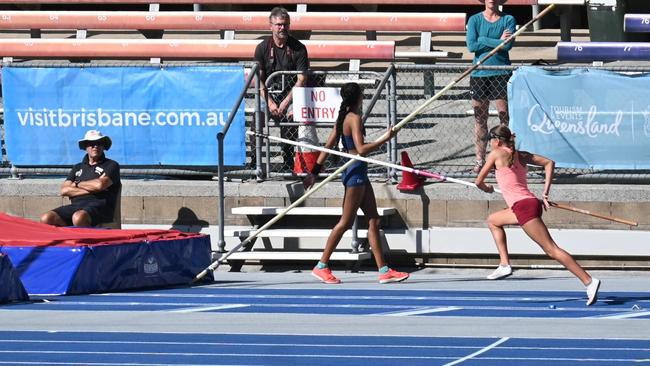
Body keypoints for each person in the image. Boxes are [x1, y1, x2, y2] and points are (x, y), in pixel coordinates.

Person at [475, 125, 601, 306]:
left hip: (524, 207)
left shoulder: (495, 154)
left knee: (551, 249)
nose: (490, 144)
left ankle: (589, 281)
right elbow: (549, 163)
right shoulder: (522, 155)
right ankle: (504, 264)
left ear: (498, 141)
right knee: (493, 220)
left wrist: (486, 188)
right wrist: (545, 194)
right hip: (528, 204)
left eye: (491, 140)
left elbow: (478, 181)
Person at [303, 83, 409, 285]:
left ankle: (384, 270)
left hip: (357, 172)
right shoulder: (354, 119)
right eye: (363, 94)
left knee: (373, 221)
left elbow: (327, 147)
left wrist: (313, 173)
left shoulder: (343, 117)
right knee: (345, 222)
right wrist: (385, 138)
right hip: (355, 174)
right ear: (359, 97)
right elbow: (361, 149)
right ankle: (322, 265)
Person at [254, 6, 309, 171]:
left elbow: (302, 79)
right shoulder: (262, 48)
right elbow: (258, 80)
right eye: (278, 24)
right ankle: (255, 163)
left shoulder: (298, 48)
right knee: (257, 121)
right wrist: (270, 102)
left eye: (285, 24)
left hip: (291, 95)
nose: (282, 28)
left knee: (289, 120)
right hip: (268, 95)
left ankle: (287, 163)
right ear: (270, 26)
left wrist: (285, 103)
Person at [466, 0, 516, 173]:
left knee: (505, 118)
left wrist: (483, 40)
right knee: (480, 119)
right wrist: (497, 41)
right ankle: (480, 160)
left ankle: (506, 157)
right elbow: (472, 46)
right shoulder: (474, 20)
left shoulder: (508, 19)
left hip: (501, 73)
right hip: (479, 74)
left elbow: (507, 45)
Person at [40, 130, 121, 227]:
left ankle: (85, 241)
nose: (95, 146)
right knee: (46, 218)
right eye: (92, 143)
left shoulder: (112, 165)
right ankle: (68, 238)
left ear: (103, 146)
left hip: (100, 207)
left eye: (99, 143)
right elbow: (64, 190)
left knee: (78, 217)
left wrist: (77, 183)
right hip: (76, 206)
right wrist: (93, 189)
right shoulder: (77, 167)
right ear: (86, 146)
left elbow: (100, 185)